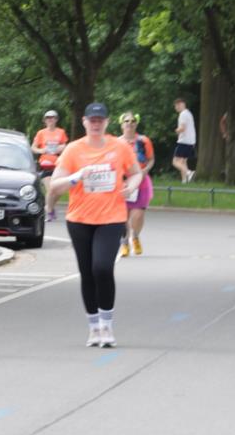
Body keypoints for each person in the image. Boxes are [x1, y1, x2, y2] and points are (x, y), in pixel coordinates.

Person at [48, 102, 142, 348]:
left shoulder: (119, 146)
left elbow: (136, 172)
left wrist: (131, 185)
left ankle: (107, 325)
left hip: (111, 218)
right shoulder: (73, 150)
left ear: (107, 122)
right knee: (87, 273)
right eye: (92, 120)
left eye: (100, 120)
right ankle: (93, 327)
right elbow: (55, 185)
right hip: (79, 219)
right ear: (84, 122)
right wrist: (75, 177)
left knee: (102, 268)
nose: (96, 123)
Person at [118, 112, 155, 257]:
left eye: (133, 121)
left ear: (136, 123)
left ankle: (135, 236)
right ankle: (124, 242)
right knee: (123, 216)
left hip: (141, 182)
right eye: (126, 121)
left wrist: (145, 170)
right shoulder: (117, 142)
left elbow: (151, 159)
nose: (130, 123)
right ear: (122, 124)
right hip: (123, 182)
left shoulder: (144, 140)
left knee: (138, 215)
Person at [31, 110, 68, 220]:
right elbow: (33, 148)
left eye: (53, 118)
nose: (50, 120)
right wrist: (42, 150)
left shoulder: (61, 132)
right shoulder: (41, 133)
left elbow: (65, 147)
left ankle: (49, 206)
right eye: (48, 118)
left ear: (56, 119)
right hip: (45, 165)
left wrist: (60, 148)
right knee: (50, 188)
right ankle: (50, 213)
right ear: (45, 120)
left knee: (59, 190)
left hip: (57, 165)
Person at [172, 98, 196, 182]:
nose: (176, 108)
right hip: (191, 141)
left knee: (175, 162)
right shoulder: (189, 113)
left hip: (184, 141)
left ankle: (189, 173)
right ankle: (184, 181)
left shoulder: (183, 114)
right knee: (183, 162)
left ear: (181, 104)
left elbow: (182, 128)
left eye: (176, 106)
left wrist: (176, 130)